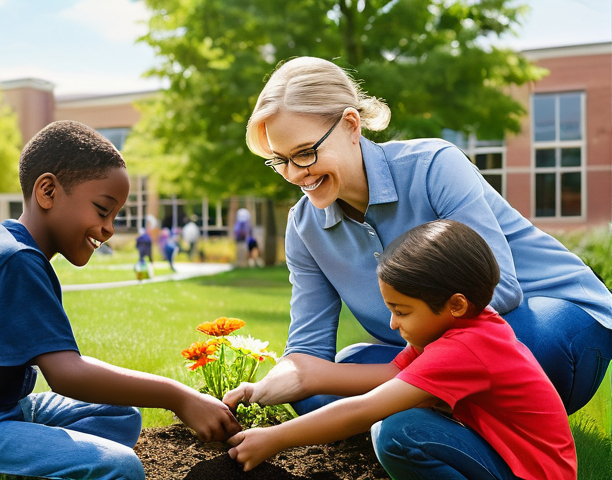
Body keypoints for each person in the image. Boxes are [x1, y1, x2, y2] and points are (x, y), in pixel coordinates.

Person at [226, 56, 611, 420]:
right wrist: (287, 377)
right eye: (280, 161)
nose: (296, 174)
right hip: (435, 353)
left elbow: (499, 292)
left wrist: (390, 374)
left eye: (305, 153)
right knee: (316, 391)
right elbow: (309, 350)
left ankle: (415, 403)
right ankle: (434, 413)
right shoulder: (304, 227)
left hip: (547, 325)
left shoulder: (433, 167)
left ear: (350, 125)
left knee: (527, 343)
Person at [0, 120, 240, 480]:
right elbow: (66, 374)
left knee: (120, 414)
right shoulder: (14, 259)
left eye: (115, 216)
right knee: (120, 467)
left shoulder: (13, 246)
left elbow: (65, 363)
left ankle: (35, 460)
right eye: (102, 210)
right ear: (47, 191)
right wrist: (177, 395)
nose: (109, 228)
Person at [226, 220, 577, 479]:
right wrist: (285, 384)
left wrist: (274, 438)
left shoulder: (468, 347)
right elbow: (393, 376)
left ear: (455, 304)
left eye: (402, 311)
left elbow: (364, 410)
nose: (393, 325)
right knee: (398, 420)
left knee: (400, 431)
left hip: (532, 473)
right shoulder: (465, 325)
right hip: (511, 460)